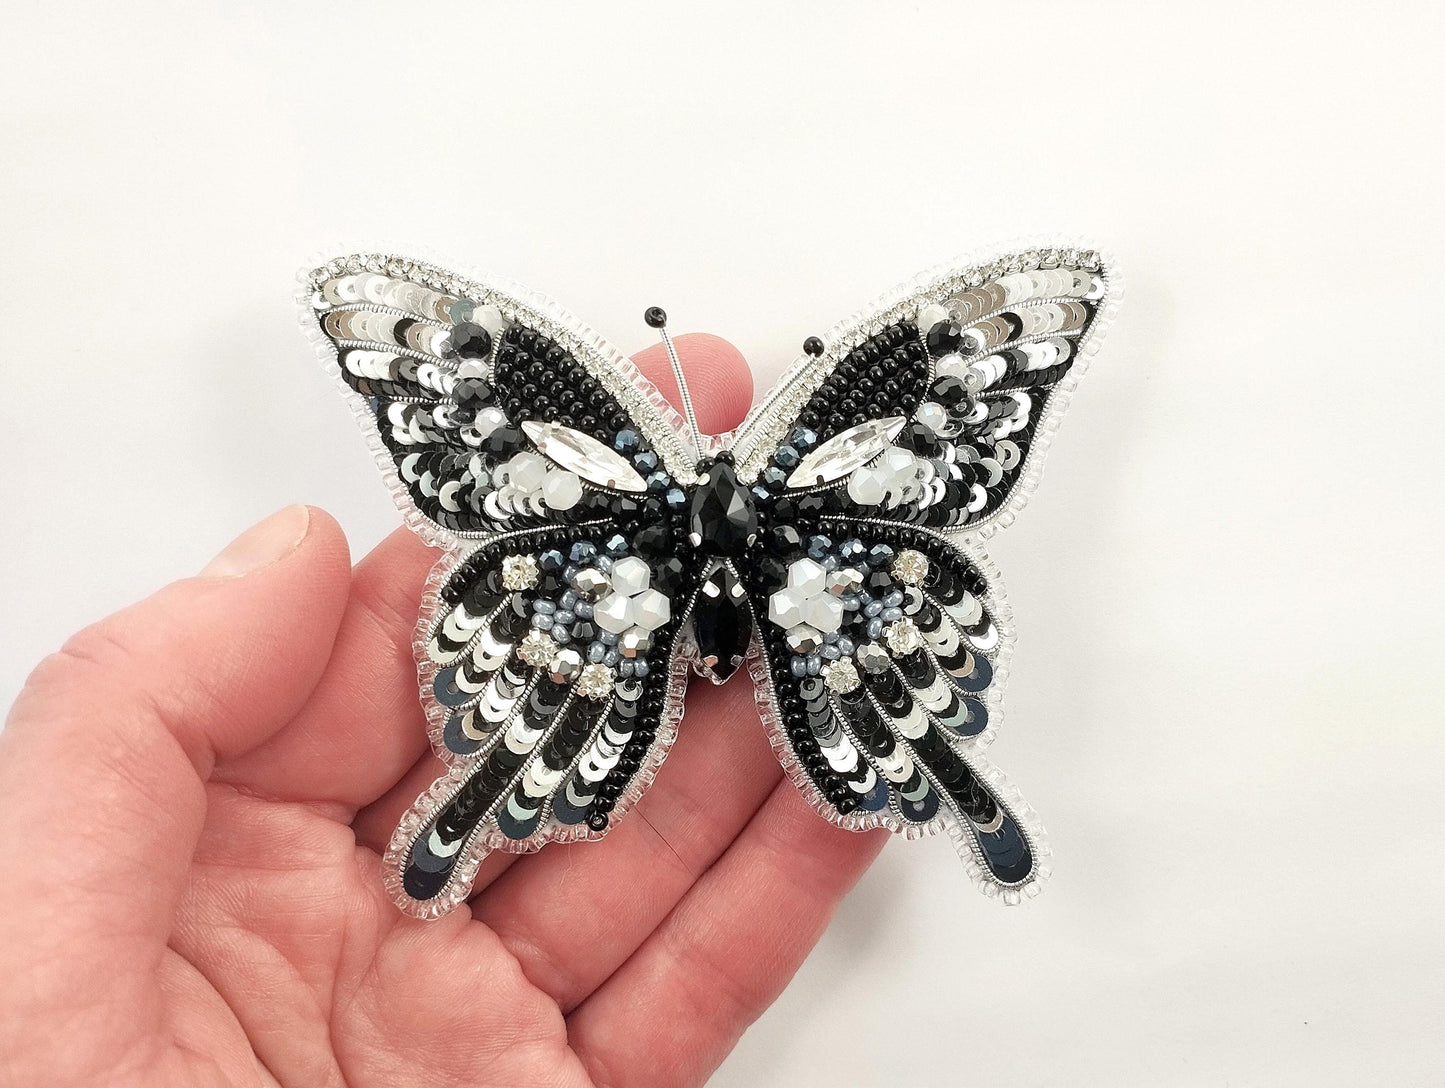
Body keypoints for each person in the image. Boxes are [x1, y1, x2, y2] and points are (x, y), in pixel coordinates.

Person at [0, 335, 884, 1088]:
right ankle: (464, 821)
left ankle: (463, 822)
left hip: (634, 598)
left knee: (524, 750)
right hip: (725, 595)